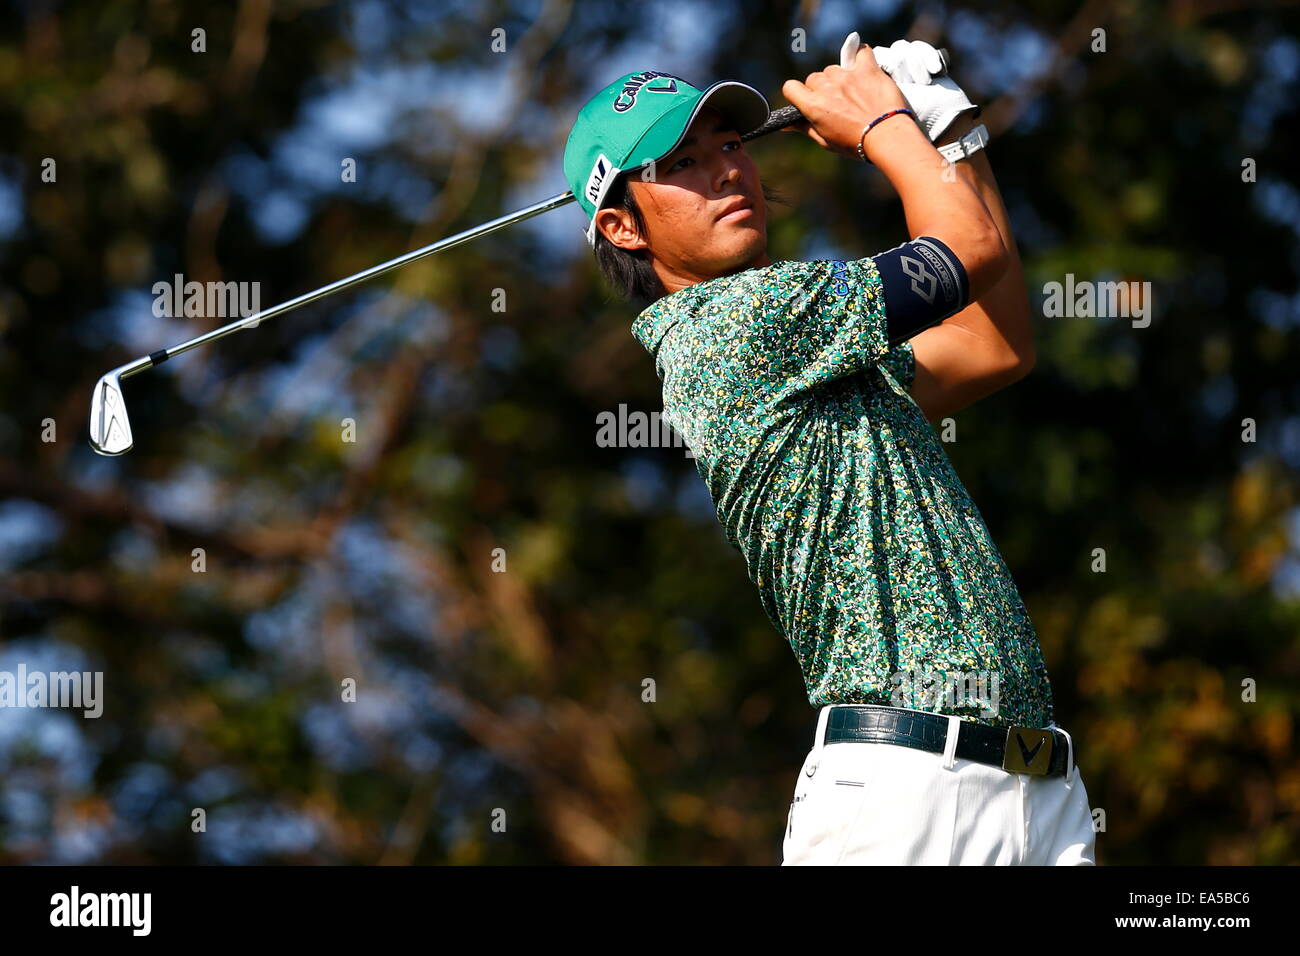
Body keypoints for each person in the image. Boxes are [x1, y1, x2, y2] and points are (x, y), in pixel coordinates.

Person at [562, 37, 1097, 865]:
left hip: (1036, 788)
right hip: (902, 794)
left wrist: (954, 136)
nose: (725, 172)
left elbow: (996, 345)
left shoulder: (810, 348)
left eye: (730, 145)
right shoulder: (729, 327)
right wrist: (883, 122)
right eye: (681, 163)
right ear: (622, 226)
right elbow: (970, 252)